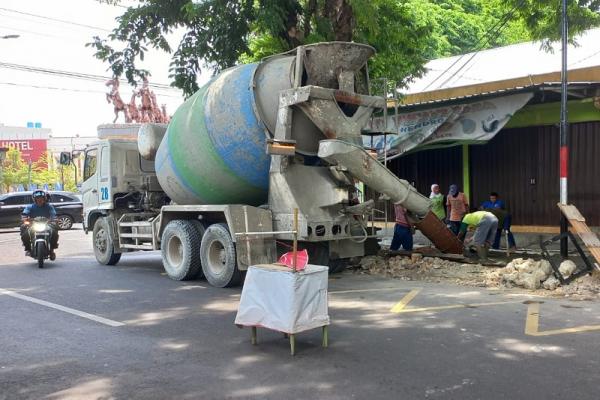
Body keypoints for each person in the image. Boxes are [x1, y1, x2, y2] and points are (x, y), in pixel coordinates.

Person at [20, 190, 59, 259]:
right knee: (24, 233)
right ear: (35, 199)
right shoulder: (30, 207)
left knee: (54, 232)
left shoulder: (49, 206)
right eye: (38, 198)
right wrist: (25, 218)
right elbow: (24, 214)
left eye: (41, 198)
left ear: (44, 199)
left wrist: (54, 219)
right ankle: (28, 249)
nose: (40, 200)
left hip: (47, 224)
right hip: (33, 225)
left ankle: (52, 250)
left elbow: (54, 214)